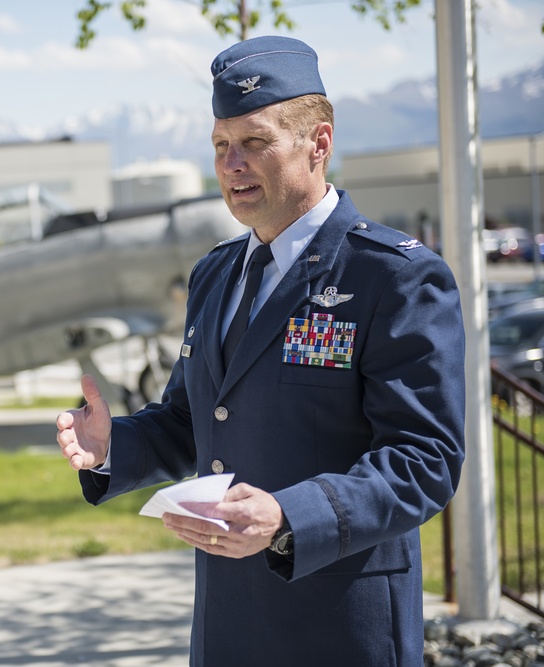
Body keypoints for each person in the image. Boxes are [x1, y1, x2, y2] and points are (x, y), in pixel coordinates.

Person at [56, 35, 465, 666]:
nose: (231, 165)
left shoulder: (393, 276)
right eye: (220, 147)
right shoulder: (215, 275)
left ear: (318, 143)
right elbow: (195, 421)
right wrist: (115, 446)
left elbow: (425, 459)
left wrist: (289, 515)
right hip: (228, 625)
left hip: (340, 627)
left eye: (254, 143)